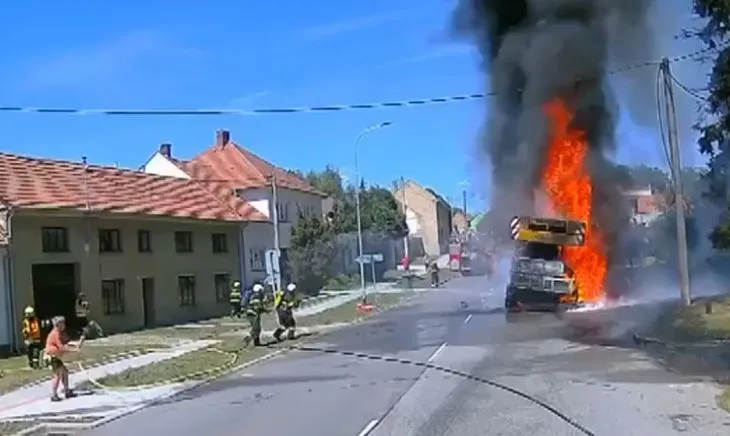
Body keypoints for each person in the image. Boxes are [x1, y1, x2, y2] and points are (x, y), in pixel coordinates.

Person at [44, 316, 77, 402]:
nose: (64, 325)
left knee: (65, 372)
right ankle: (54, 395)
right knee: (57, 375)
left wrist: (76, 344)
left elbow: (67, 341)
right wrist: (72, 350)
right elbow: (61, 347)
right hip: (52, 357)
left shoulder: (59, 332)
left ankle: (66, 391)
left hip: (55, 357)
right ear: (58, 324)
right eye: (62, 323)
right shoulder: (55, 333)